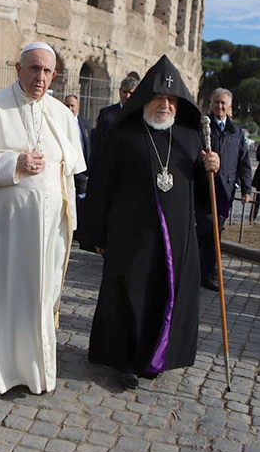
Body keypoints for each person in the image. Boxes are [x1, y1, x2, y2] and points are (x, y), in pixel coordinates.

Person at [0, 42, 85, 399]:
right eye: (33, 68)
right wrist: (15, 164)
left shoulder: (62, 114)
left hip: (47, 233)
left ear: (54, 75)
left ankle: (35, 373)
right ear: (18, 69)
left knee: (38, 299)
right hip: (0, 229)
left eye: (47, 71)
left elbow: (68, 173)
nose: (40, 76)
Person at [82, 55, 220, 389]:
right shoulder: (122, 134)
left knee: (165, 297)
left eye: (172, 100)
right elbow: (101, 186)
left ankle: (158, 357)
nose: (165, 105)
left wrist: (212, 170)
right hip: (131, 236)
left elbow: (204, 197)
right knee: (131, 296)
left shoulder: (190, 137)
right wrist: (97, 234)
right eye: (159, 98)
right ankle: (127, 362)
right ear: (145, 99)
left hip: (176, 239)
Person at [196, 88, 251, 291]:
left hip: (224, 192)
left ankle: (208, 273)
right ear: (211, 104)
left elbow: (244, 163)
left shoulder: (236, 132)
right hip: (202, 189)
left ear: (229, 107)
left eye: (223, 103)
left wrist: (246, 189)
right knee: (202, 231)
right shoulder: (202, 127)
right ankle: (195, 272)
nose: (220, 106)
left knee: (216, 234)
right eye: (216, 102)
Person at [90, 76, 138, 169]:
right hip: (109, 165)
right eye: (125, 92)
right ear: (119, 91)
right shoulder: (106, 114)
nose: (127, 96)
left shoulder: (141, 115)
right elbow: (97, 143)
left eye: (131, 93)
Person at [63, 94, 91, 200]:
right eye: (67, 106)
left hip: (81, 170)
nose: (69, 108)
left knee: (80, 198)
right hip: (66, 168)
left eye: (72, 106)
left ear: (78, 106)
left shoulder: (84, 123)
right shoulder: (59, 122)